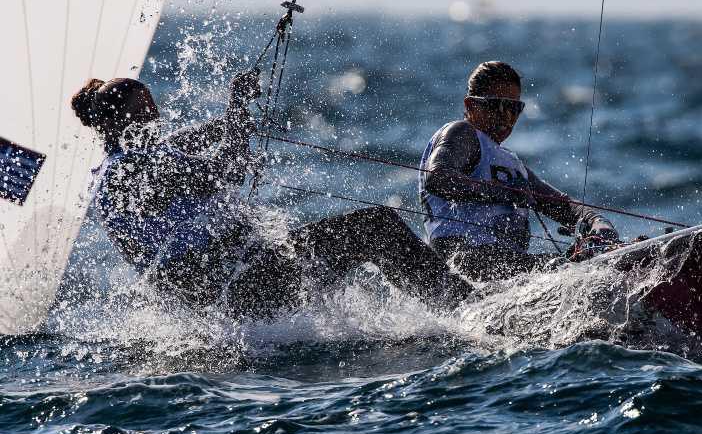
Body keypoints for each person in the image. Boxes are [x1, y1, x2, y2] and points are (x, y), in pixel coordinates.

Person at [74, 72, 471, 318]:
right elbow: (228, 170)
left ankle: (455, 302)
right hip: (237, 293)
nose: (157, 118)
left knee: (356, 232)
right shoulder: (134, 170)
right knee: (375, 227)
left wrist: (233, 118)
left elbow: (201, 138)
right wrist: (235, 109)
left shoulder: (126, 164)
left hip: (236, 283)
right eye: (147, 112)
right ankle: (466, 309)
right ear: (121, 121)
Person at [419, 61, 619, 282]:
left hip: (506, 271)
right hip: (466, 264)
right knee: (565, 268)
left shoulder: (511, 163)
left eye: (514, 108)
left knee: (572, 262)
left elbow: (563, 205)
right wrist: (504, 192)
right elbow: (437, 178)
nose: (507, 117)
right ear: (471, 105)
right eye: (498, 106)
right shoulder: (462, 133)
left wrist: (597, 221)